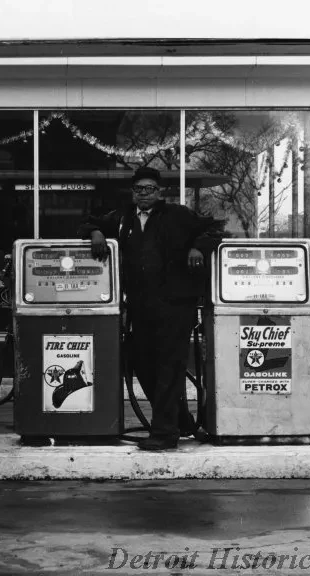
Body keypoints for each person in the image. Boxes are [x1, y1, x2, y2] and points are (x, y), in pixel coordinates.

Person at [79, 167, 227, 451]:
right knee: (140, 362)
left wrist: (198, 247)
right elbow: (87, 222)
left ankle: (164, 434)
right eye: (138, 189)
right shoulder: (123, 218)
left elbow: (214, 228)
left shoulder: (179, 215)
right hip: (141, 305)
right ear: (133, 192)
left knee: (169, 368)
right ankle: (180, 421)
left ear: (159, 192)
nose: (143, 193)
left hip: (176, 305)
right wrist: (96, 233)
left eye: (149, 188)